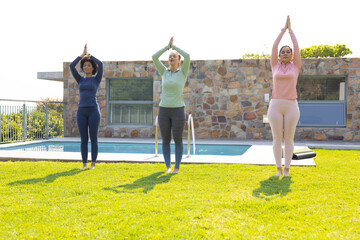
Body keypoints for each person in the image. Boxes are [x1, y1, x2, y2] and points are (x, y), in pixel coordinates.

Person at [268, 16, 301, 177]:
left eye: (288, 52)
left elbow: (296, 46)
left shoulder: (296, 67)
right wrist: (283, 30)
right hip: (275, 105)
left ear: (292, 56)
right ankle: (278, 169)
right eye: (283, 52)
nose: (286, 53)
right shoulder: (275, 65)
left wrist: (291, 30)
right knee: (276, 138)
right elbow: (274, 46)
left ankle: (287, 169)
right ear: (279, 56)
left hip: (291, 105)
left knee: (288, 138)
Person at [152, 37, 190, 174]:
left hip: (178, 110)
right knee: (166, 139)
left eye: (174, 56)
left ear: (179, 60)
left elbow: (188, 56)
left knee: (178, 139)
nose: (171, 57)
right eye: (170, 56)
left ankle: (177, 167)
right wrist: (167, 47)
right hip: (164, 110)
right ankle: (168, 166)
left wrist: (175, 47)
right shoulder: (164, 72)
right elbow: (154, 57)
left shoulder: (183, 72)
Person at [69, 44, 103, 169]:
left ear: (93, 67)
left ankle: (93, 163)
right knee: (84, 139)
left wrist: (91, 56)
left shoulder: (96, 79)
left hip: (94, 110)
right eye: (84, 65)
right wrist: (81, 55)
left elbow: (102, 64)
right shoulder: (80, 80)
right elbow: (71, 66)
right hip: (81, 111)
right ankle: (84, 163)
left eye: (89, 65)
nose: (86, 66)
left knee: (93, 138)